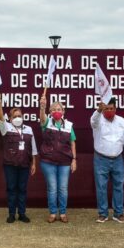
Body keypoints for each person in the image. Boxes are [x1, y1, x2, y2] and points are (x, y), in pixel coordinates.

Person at [0, 92, 38, 223]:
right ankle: (12, 214)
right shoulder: (6, 128)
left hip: (25, 164)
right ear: (10, 117)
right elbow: (0, 118)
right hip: (10, 165)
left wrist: (34, 163)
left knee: (22, 189)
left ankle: (22, 213)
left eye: (19, 116)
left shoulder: (29, 129)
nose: (18, 118)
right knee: (12, 189)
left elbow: (33, 148)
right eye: (15, 116)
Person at [91, 98, 124, 223]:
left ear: (115, 109)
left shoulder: (122, 121)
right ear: (103, 109)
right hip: (101, 158)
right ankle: (103, 213)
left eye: (111, 108)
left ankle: (118, 213)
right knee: (101, 187)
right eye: (107, 108)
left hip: (118, 158)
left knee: (118, 186)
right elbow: (93, 121)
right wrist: (98, 110)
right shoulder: (98, 120)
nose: (109, 110)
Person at [39, 94, 77, 223]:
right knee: (52, 187)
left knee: (63, 188)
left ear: (63, 111)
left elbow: (72, 143)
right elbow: (42, 118)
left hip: (65, 162)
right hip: (48, 162)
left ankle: (63, 213)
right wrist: (42, 107)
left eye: (59, 109)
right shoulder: (47, 122)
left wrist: (74, 159)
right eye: (54, 109)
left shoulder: (69, 125)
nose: (57, 111)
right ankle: (53, 213)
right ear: (50, 112)